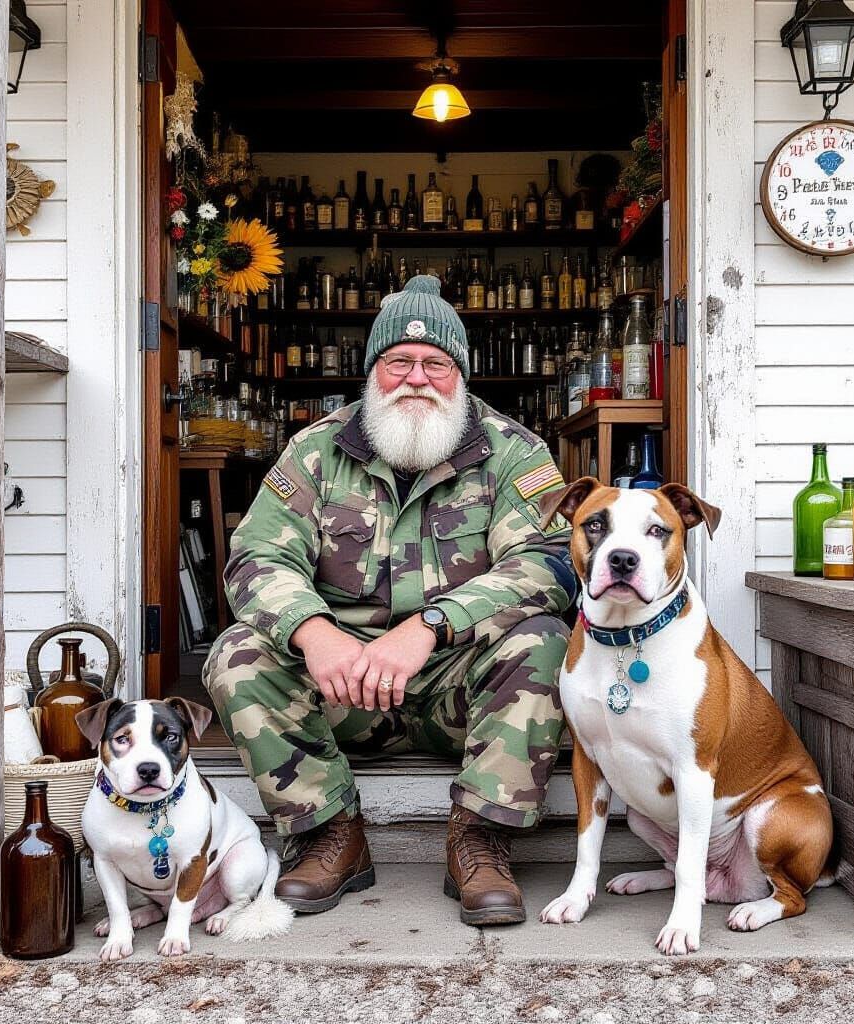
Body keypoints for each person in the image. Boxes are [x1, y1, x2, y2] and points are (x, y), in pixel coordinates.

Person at [203, 273, 575, 925]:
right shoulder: (316, 451)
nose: (416, 377)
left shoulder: (514, 452)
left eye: (436, 363)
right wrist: (314, 633)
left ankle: (480, 839)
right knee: (238, 653)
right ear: (372, 371)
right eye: (398, 362)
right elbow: (256, 558)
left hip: (462, 688)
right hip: (342, 690)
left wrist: (434, 624)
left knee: (543, 639)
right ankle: (330, 836)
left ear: (461, 374)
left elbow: (547, 564)